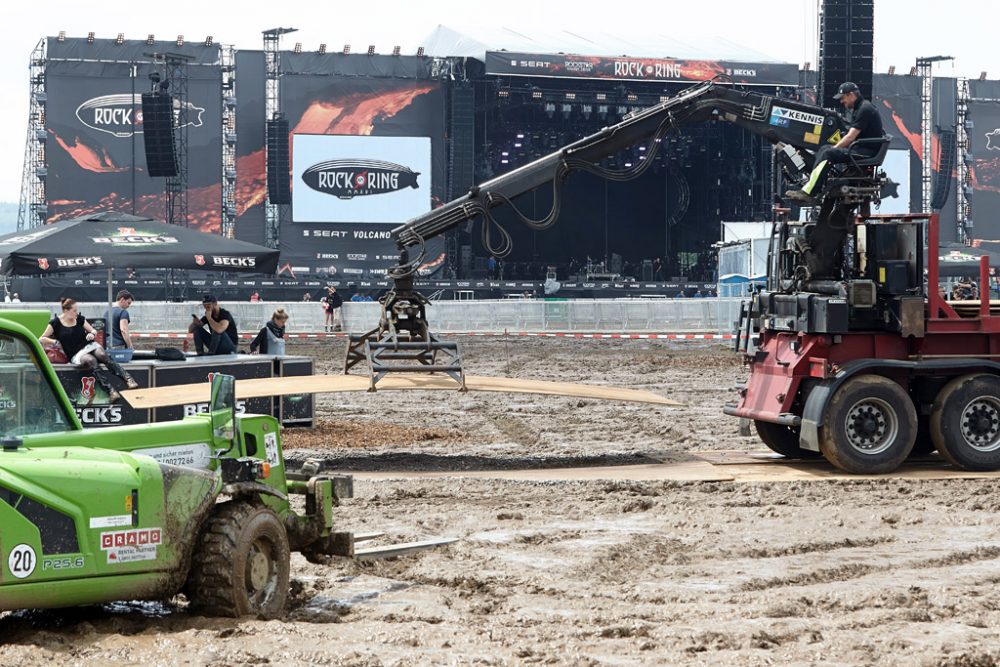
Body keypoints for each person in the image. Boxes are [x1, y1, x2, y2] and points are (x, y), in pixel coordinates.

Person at [786, 81, 886, 203]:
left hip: (866, 151)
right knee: (824, 148)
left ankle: (810, 192)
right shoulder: (859, 108)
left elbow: (850, 137)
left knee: (829, 153)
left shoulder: (865, 109)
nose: (841, 101)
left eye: (843, 98)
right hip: (861, 147)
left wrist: (835, 148)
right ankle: (814, 183)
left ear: (851, 95)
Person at [39, 298, 138, 401]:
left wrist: (91, 334)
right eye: (74, 311)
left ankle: (128, 378)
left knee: (103, 355)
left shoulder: (80, 319)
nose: (76, 313)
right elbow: (41, 338)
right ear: (66, 311)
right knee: (91, 360)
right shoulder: (55, 323)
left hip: (89, 345)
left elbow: (93, 331)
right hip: (75, 353)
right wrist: (54, 342)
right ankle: (110, 391)